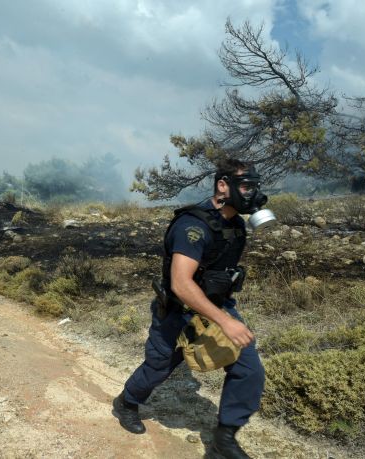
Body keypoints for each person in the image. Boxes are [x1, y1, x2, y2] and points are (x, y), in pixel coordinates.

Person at [112, 159, 267, 459]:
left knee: (249, 369)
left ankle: (224, 439)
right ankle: (126, 403)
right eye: (246, 186)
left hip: (216, 307)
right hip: (177, 312)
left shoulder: (234, 224)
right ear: (223, 186)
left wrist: (224, 315)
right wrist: (226, 322)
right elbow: (182, 284)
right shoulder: (192, 226)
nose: (251, 193)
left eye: (254, 187)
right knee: (158, 368)